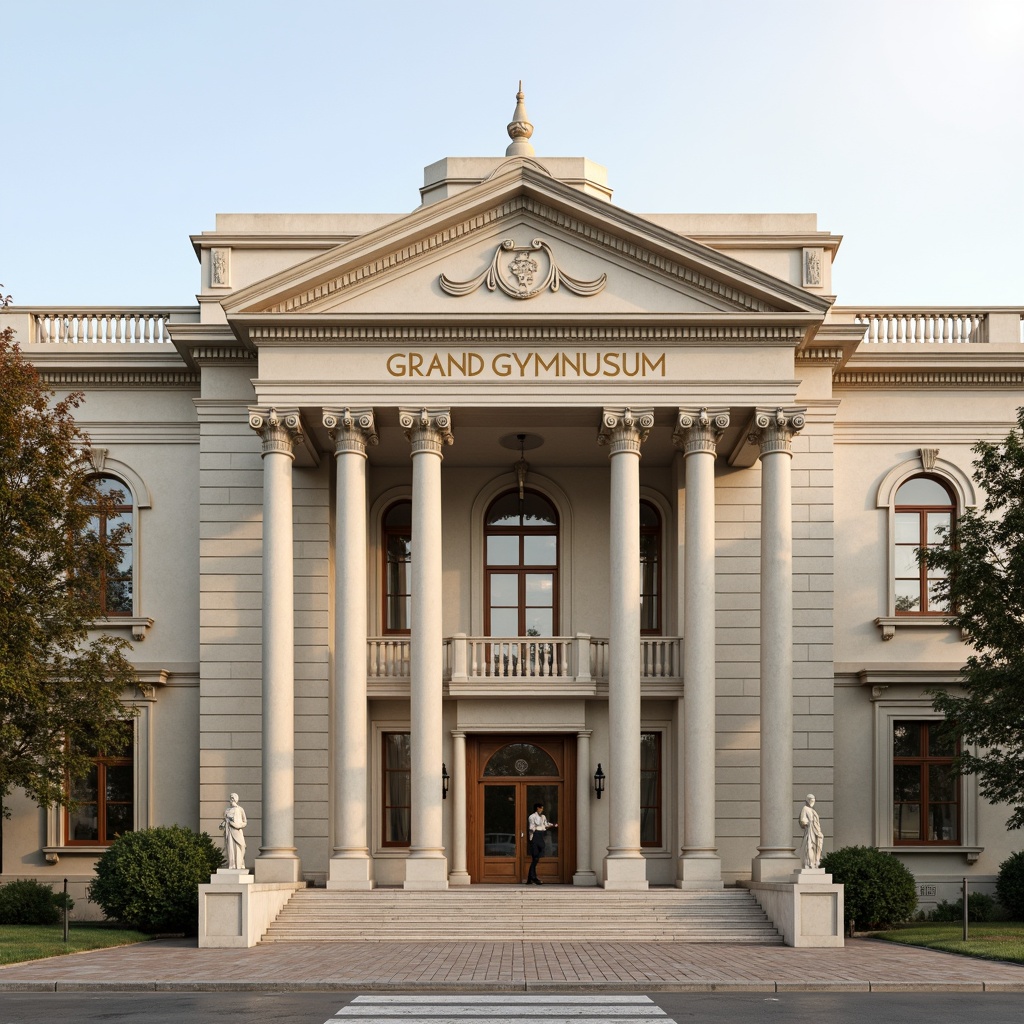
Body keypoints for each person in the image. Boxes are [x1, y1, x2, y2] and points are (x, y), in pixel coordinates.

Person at [526, 802, 556, 884]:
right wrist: (534, 830)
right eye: (541, 808)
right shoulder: (532, 817)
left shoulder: (543, 817)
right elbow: (531, 827)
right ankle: (533, 878)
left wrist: (553, 825)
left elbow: (545, 824)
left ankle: (530, 878)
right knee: (535, 858)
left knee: (537, 857)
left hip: (541, 836)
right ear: (537, 808)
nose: (542, 809)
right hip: (536, 836)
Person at [220, 792, 248, 869]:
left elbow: (245, 822)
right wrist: (223, 824)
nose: (231, 799)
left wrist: (239, 826)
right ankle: (232, 865)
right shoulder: (227, 810)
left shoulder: (240, 809)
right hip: (229, 831)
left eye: (233, 798)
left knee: (240, 847)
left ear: (236, 799)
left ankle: (239, 864)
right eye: (231, 798)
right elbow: (224, 820)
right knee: (230, 848)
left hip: (237, 831)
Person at [799, 793, 823, 869]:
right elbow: (803, 819)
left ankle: (816, 862)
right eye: (811, 801)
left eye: (814, 801)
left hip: (816, 829)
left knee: (817, 846)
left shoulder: (813, 810)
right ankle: (809, 863)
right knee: (809, 846)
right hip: (810, 829)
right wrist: (806, 823)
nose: (812, 803)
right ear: (808, 800)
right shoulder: (805, 808)